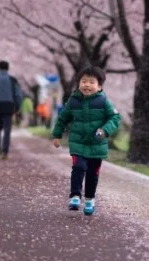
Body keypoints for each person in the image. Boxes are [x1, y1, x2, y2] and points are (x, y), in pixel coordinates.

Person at [52, 66, 121, 216]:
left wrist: (104, 130)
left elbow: (115, 118)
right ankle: (75, 196)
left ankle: (90, 199)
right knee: (79, 167)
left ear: (99, 86)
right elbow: (63, 118)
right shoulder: (73, 101)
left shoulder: (103, 101)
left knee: (92, 173)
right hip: (78, 142)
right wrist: (57, 135)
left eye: (91, 82)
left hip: (97, 144)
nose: (87, 85)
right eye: (84, 81)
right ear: (78, 84)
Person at [0, 60, 23, 159]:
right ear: (8, 68)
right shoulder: (13, 80)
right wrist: (17, 106)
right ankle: (4, 152)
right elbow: (18, 94)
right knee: (7, 130)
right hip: (9, 106)